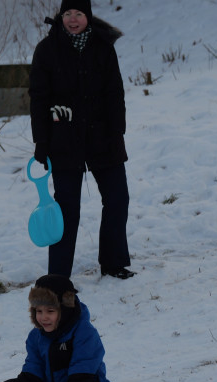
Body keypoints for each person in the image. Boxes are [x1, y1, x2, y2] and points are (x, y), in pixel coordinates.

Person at [29, 0, 135, 280]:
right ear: (60, 16)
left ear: (87, 16)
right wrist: (41, 141)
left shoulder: (102, 47)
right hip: (64, 140)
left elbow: (115, 93)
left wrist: (118, 133)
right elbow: (38, 99)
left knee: (117, 198)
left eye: (78, 14)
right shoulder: (47, 50)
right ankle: (60, 277)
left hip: (104, 136)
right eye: (67, 14)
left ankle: (113, 264)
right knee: (66, 210)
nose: (72, 19)